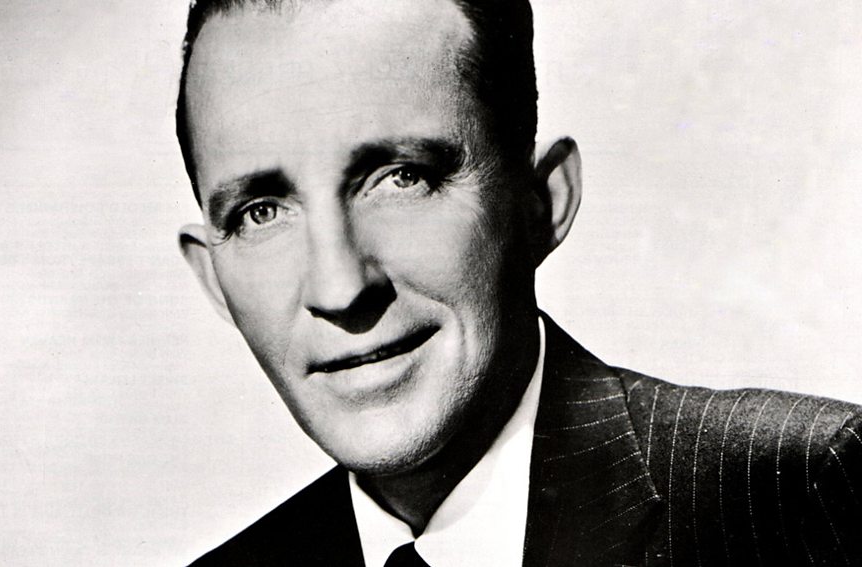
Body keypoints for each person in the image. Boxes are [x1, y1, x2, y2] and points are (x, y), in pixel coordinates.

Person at [175, 0, 862, 565]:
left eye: (404, 177)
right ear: (212, 279)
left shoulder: (804, 493)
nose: (339, 288)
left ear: (541, 202)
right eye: (260, 212)